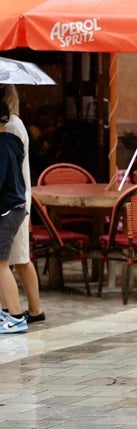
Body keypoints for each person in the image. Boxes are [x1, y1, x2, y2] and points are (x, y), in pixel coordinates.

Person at [0, 85, 45, 324]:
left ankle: (16, 312)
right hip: (15, 199)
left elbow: (7, 166)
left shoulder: (11, 127)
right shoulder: (12, 125)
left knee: (14, 258)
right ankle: (25, 310)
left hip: (12, 201)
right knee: (16, 257)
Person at [0, 100, 29, 334]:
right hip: (16, 207)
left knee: (0, 264)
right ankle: (6, 312)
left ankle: (16, 316)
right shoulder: (13, 142)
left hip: (7, 210)